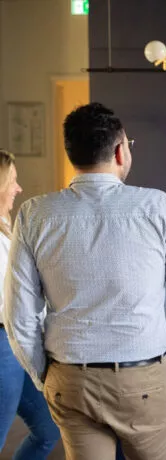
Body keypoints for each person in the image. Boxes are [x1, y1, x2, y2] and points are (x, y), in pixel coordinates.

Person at [4, 103, 166, 460]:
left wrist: (47, 375)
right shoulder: (156, 206)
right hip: (142, 381)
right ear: (120, 150)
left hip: (70, 381)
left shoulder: (35, 214)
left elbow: (19, 317)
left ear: (72, 153)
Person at [0, 149, 60, 459]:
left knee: (48, 430)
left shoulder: (6, 227)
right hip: (3, 346)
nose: (19, 189)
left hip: (16, 343)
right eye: (13, 181)